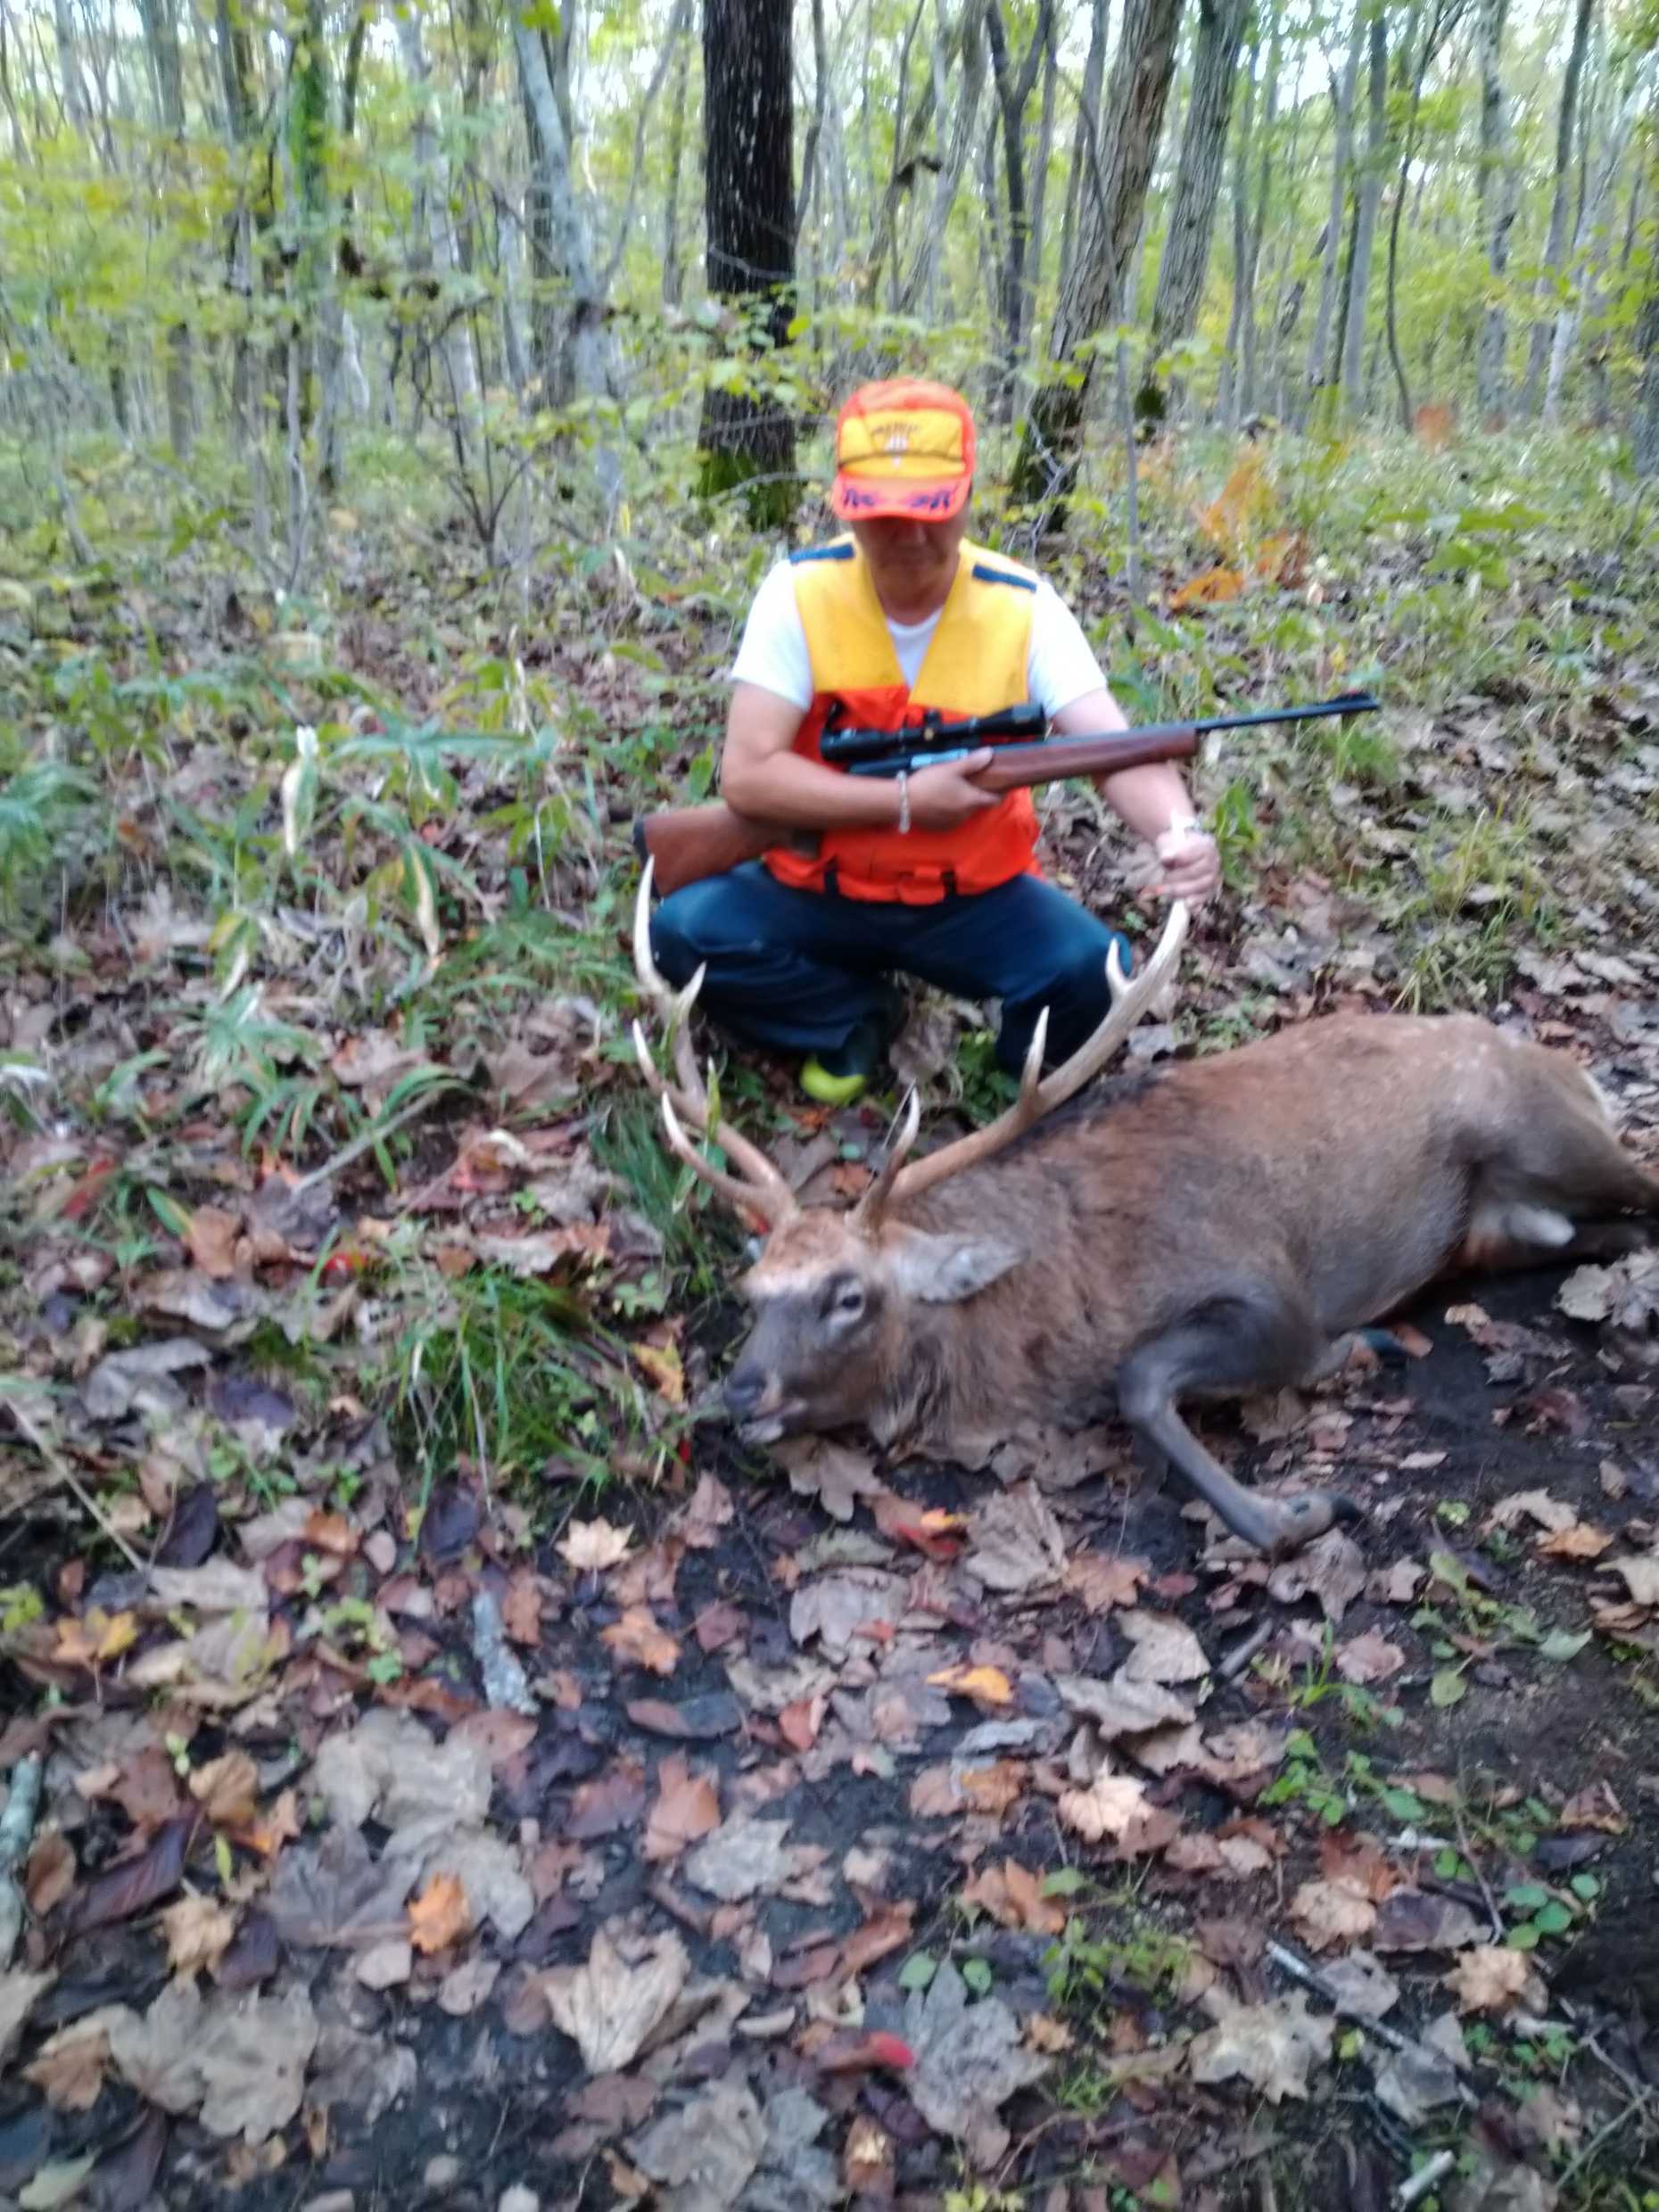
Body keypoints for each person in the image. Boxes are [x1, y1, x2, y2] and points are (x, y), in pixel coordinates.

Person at [650, 378, 1220, 1106]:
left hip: (971, 898)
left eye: (933, 511)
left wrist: (1179, 829)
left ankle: (1016, 1096)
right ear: (846, 509)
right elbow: (748, 779)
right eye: (887, 516)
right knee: (682, 935)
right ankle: (849, 1015)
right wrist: (903, 800)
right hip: (821, 886)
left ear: (968, 495)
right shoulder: (796, 594)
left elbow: (1113, 746)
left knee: (1092, 971)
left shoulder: (1024, 607)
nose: (913, 536)